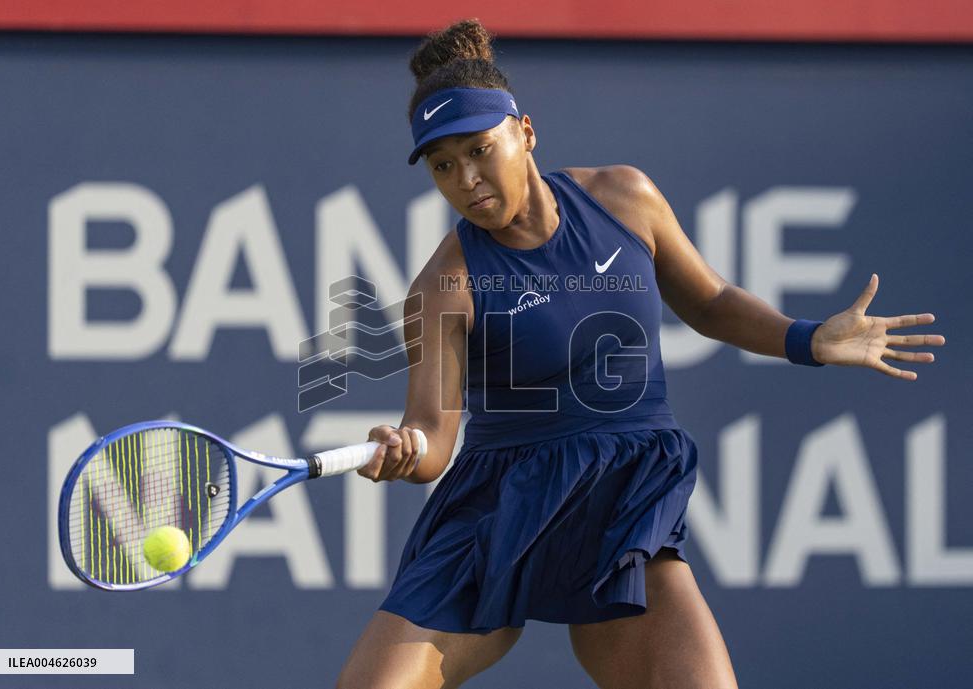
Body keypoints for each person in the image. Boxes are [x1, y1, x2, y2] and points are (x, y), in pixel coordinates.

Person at [335, 19, 945, 689]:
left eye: (480, 149)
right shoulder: (443, 287)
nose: (467, 179)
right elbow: (432, 434)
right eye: (444, 165)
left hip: (619, 506)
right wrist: (404, 450)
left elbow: (709, 302)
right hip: (499, 513)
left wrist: (807, 339)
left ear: (526, 132)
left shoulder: (625, 199)